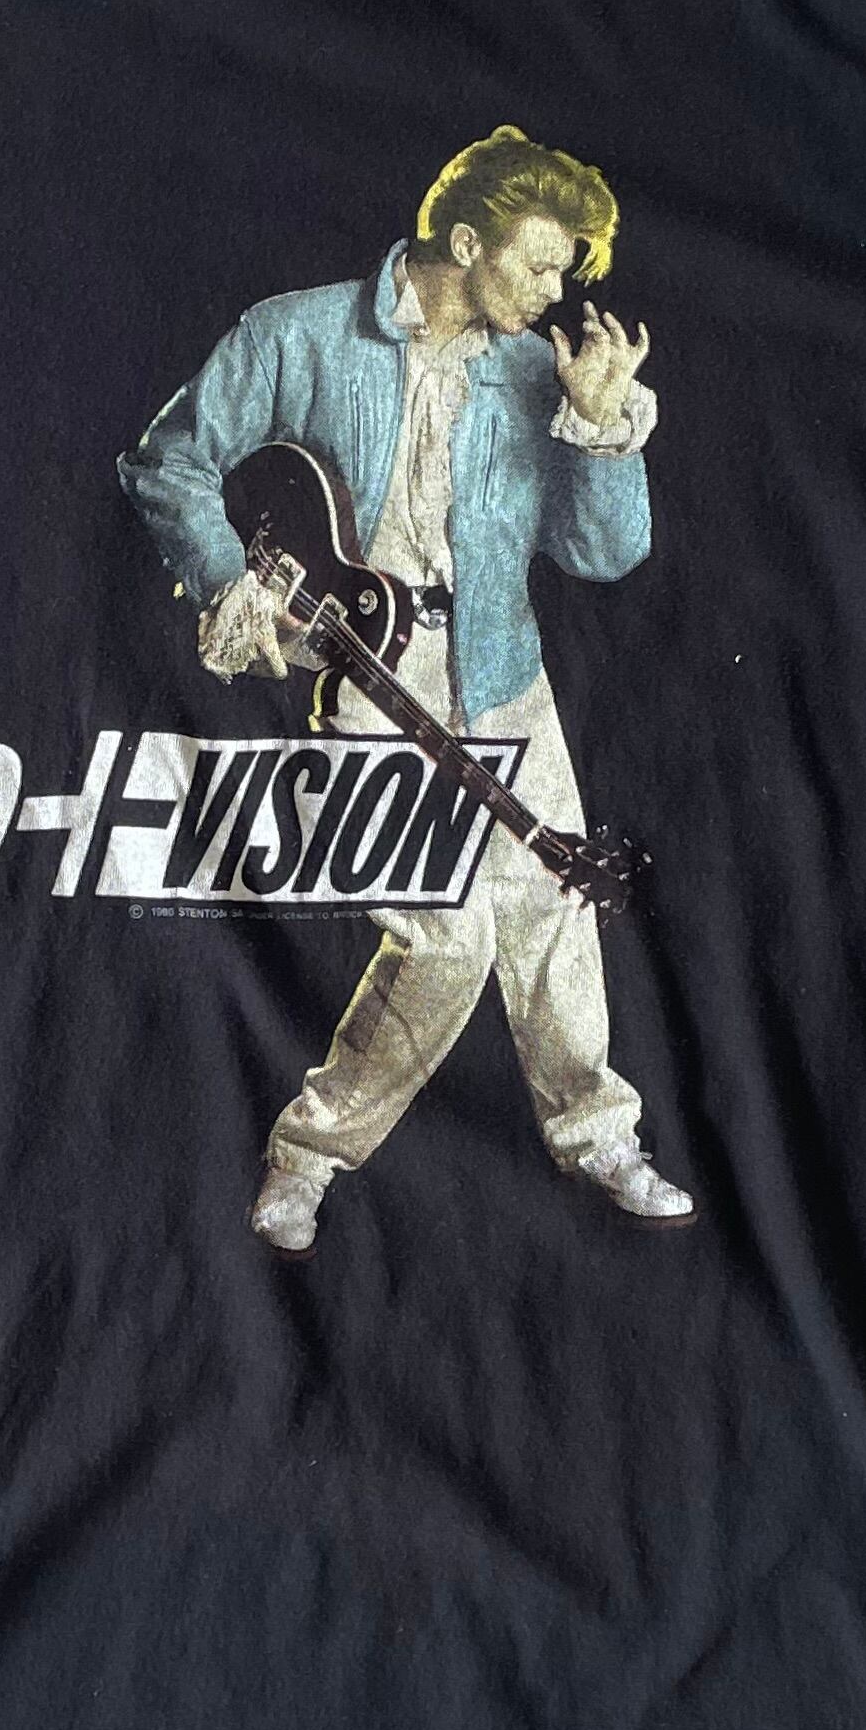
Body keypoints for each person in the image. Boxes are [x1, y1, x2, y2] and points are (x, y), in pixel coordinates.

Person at [115, 124, 696, 1257]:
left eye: (564, 271)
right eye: (540, 263)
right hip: (374, 679)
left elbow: (604, 554)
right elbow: (166, 459)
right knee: (442, 944)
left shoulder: (537, 372)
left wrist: (601, 429)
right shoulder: (296, 333)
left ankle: (600, 1136)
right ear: (467, 242)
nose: (556, 290)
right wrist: (237, 583)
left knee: (555, 907)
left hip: (504, 668)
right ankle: (306, 1155)